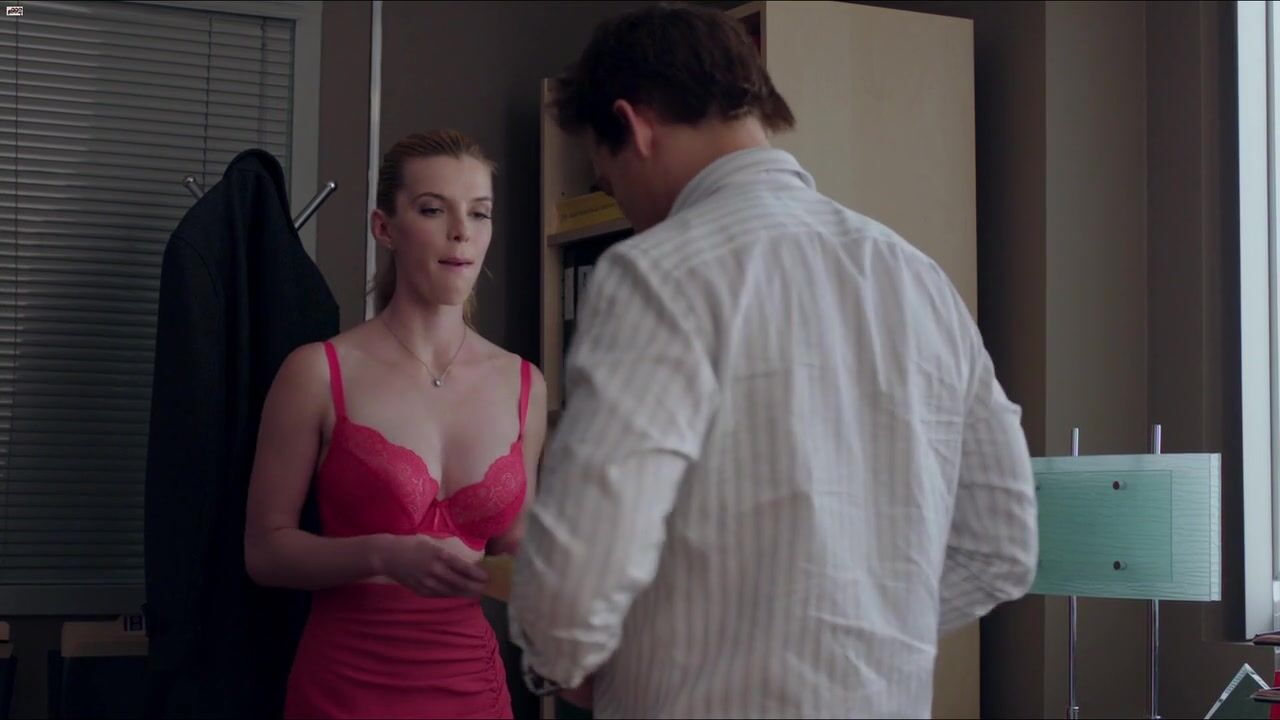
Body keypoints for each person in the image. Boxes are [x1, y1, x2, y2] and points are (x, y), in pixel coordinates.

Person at [508, 5, 1038, 719]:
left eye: (608, 178)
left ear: (635, 127)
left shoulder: (654, 274)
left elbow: (580, 566)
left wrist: (555, 660)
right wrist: (859, 630)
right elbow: (1003, 546)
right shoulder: (918, 277)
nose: (622, 203)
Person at [244, 129, 546, 720]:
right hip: (344, 690)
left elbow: (515, 549)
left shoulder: (524, 384)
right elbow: (265, 551)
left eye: (479, 213)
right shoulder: (317, 372)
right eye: (433, 210)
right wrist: (380, 555)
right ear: (385, 228)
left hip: (473, 693)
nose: (461, 232)